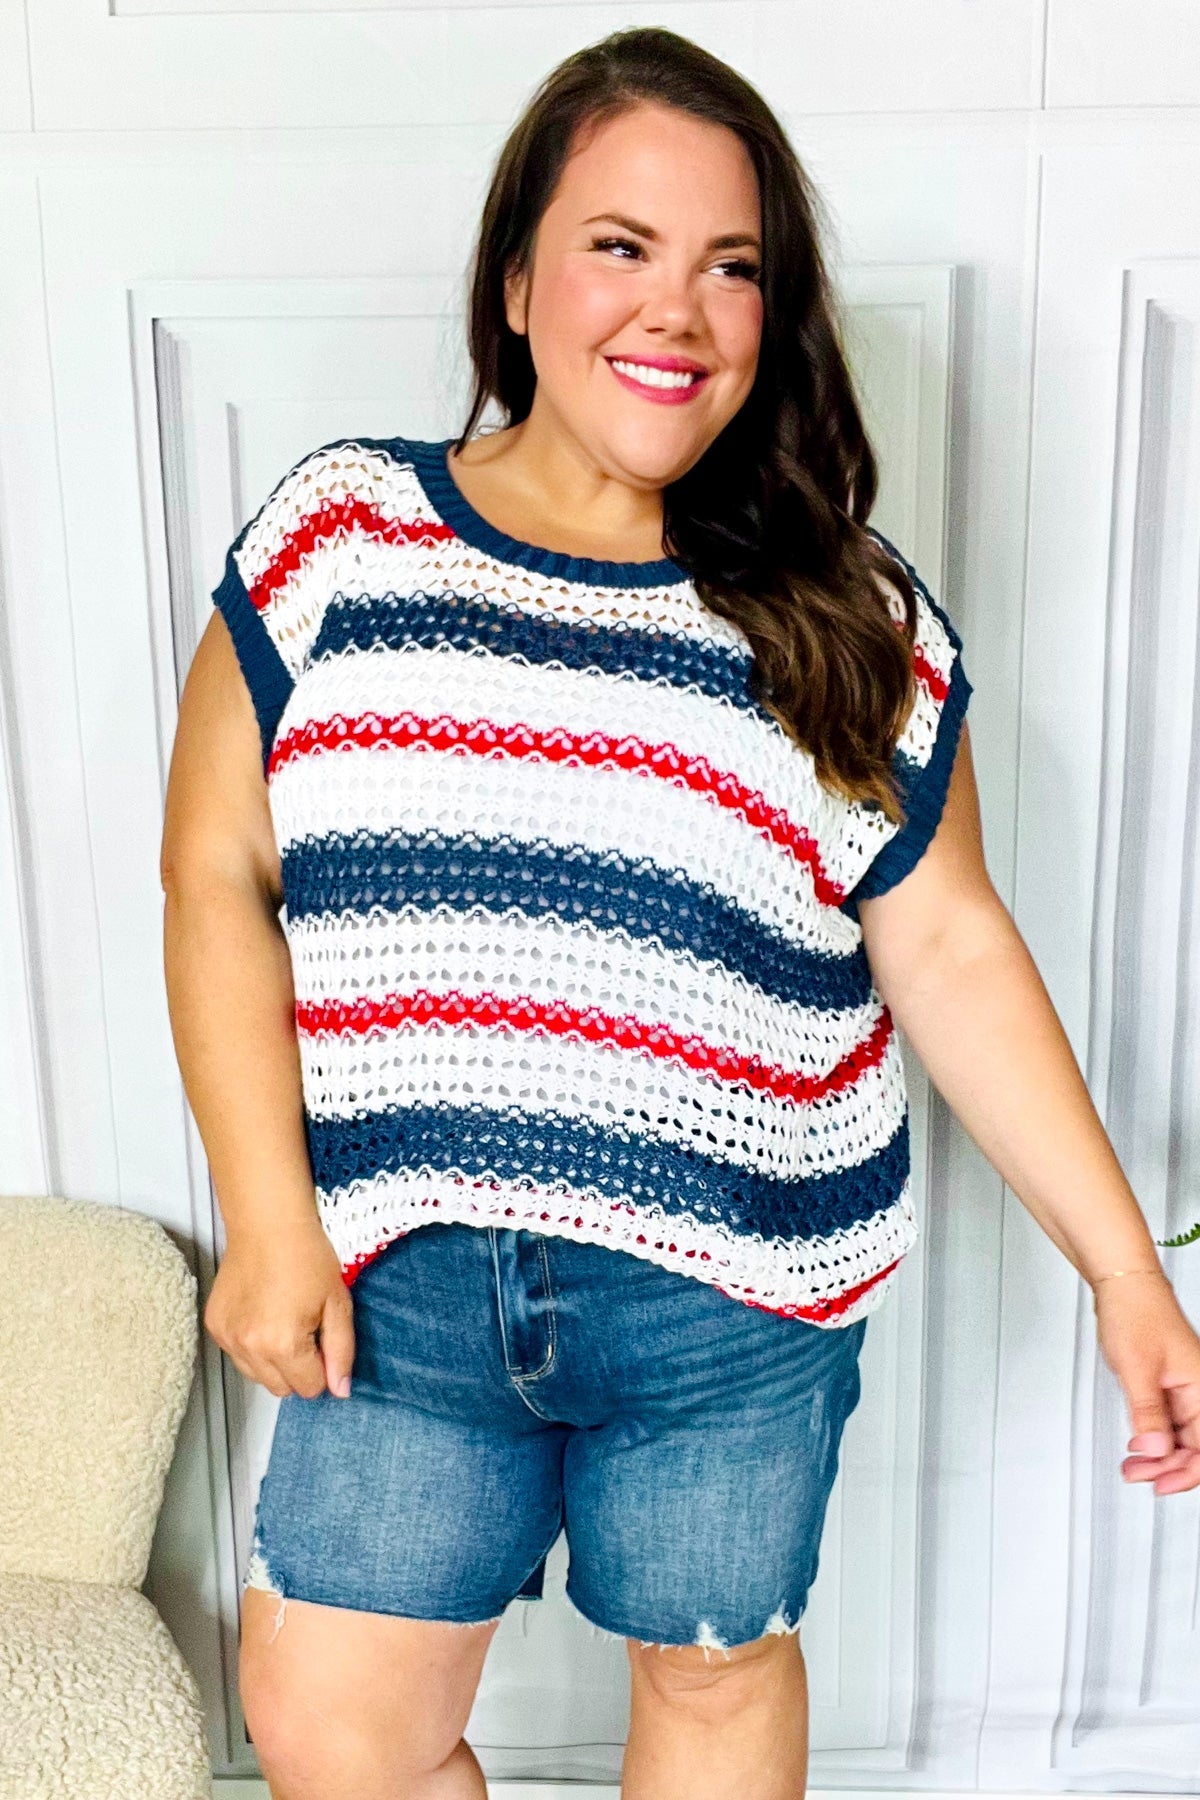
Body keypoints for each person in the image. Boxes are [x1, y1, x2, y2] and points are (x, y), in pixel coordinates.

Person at [159, 26, 1200, 1800]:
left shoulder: (844, 616)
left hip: (733, 1297)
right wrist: (266, 1221)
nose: (681, 311)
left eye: (735, 267)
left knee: (712, 1683)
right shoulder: (340, 545)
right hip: (393, 1290)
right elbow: (214, 881)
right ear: (517, 283)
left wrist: (1125, 1271)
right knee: (337, 1745)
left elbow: (945, 945)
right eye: (621, 247)